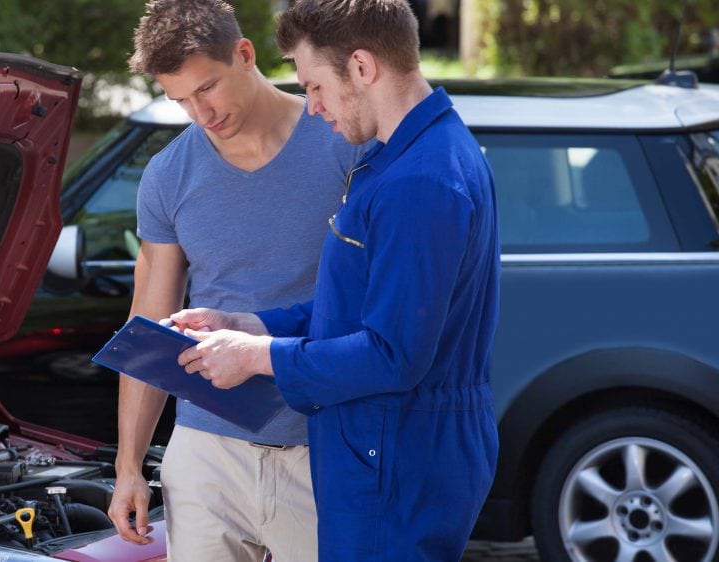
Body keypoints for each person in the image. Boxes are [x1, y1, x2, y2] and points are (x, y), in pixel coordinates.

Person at [170, 0, 501, 560]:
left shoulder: (421, 181)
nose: (312, 106)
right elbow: (359, 306)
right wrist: (248, 324)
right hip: (386, 449)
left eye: (316, 86)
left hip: (395, 456)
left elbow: (391, 354)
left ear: (363, 67)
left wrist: (257, 356)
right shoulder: (398, 160)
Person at [105, 1, 369, 560]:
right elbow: (147, 329)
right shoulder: (168, 176)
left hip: (323, 443)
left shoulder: (344, 142)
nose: (200, 113)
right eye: (180, 100)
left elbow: (376, 300)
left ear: (245, 54)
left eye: (207, 89)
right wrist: (129, 466)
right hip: (206, 448)